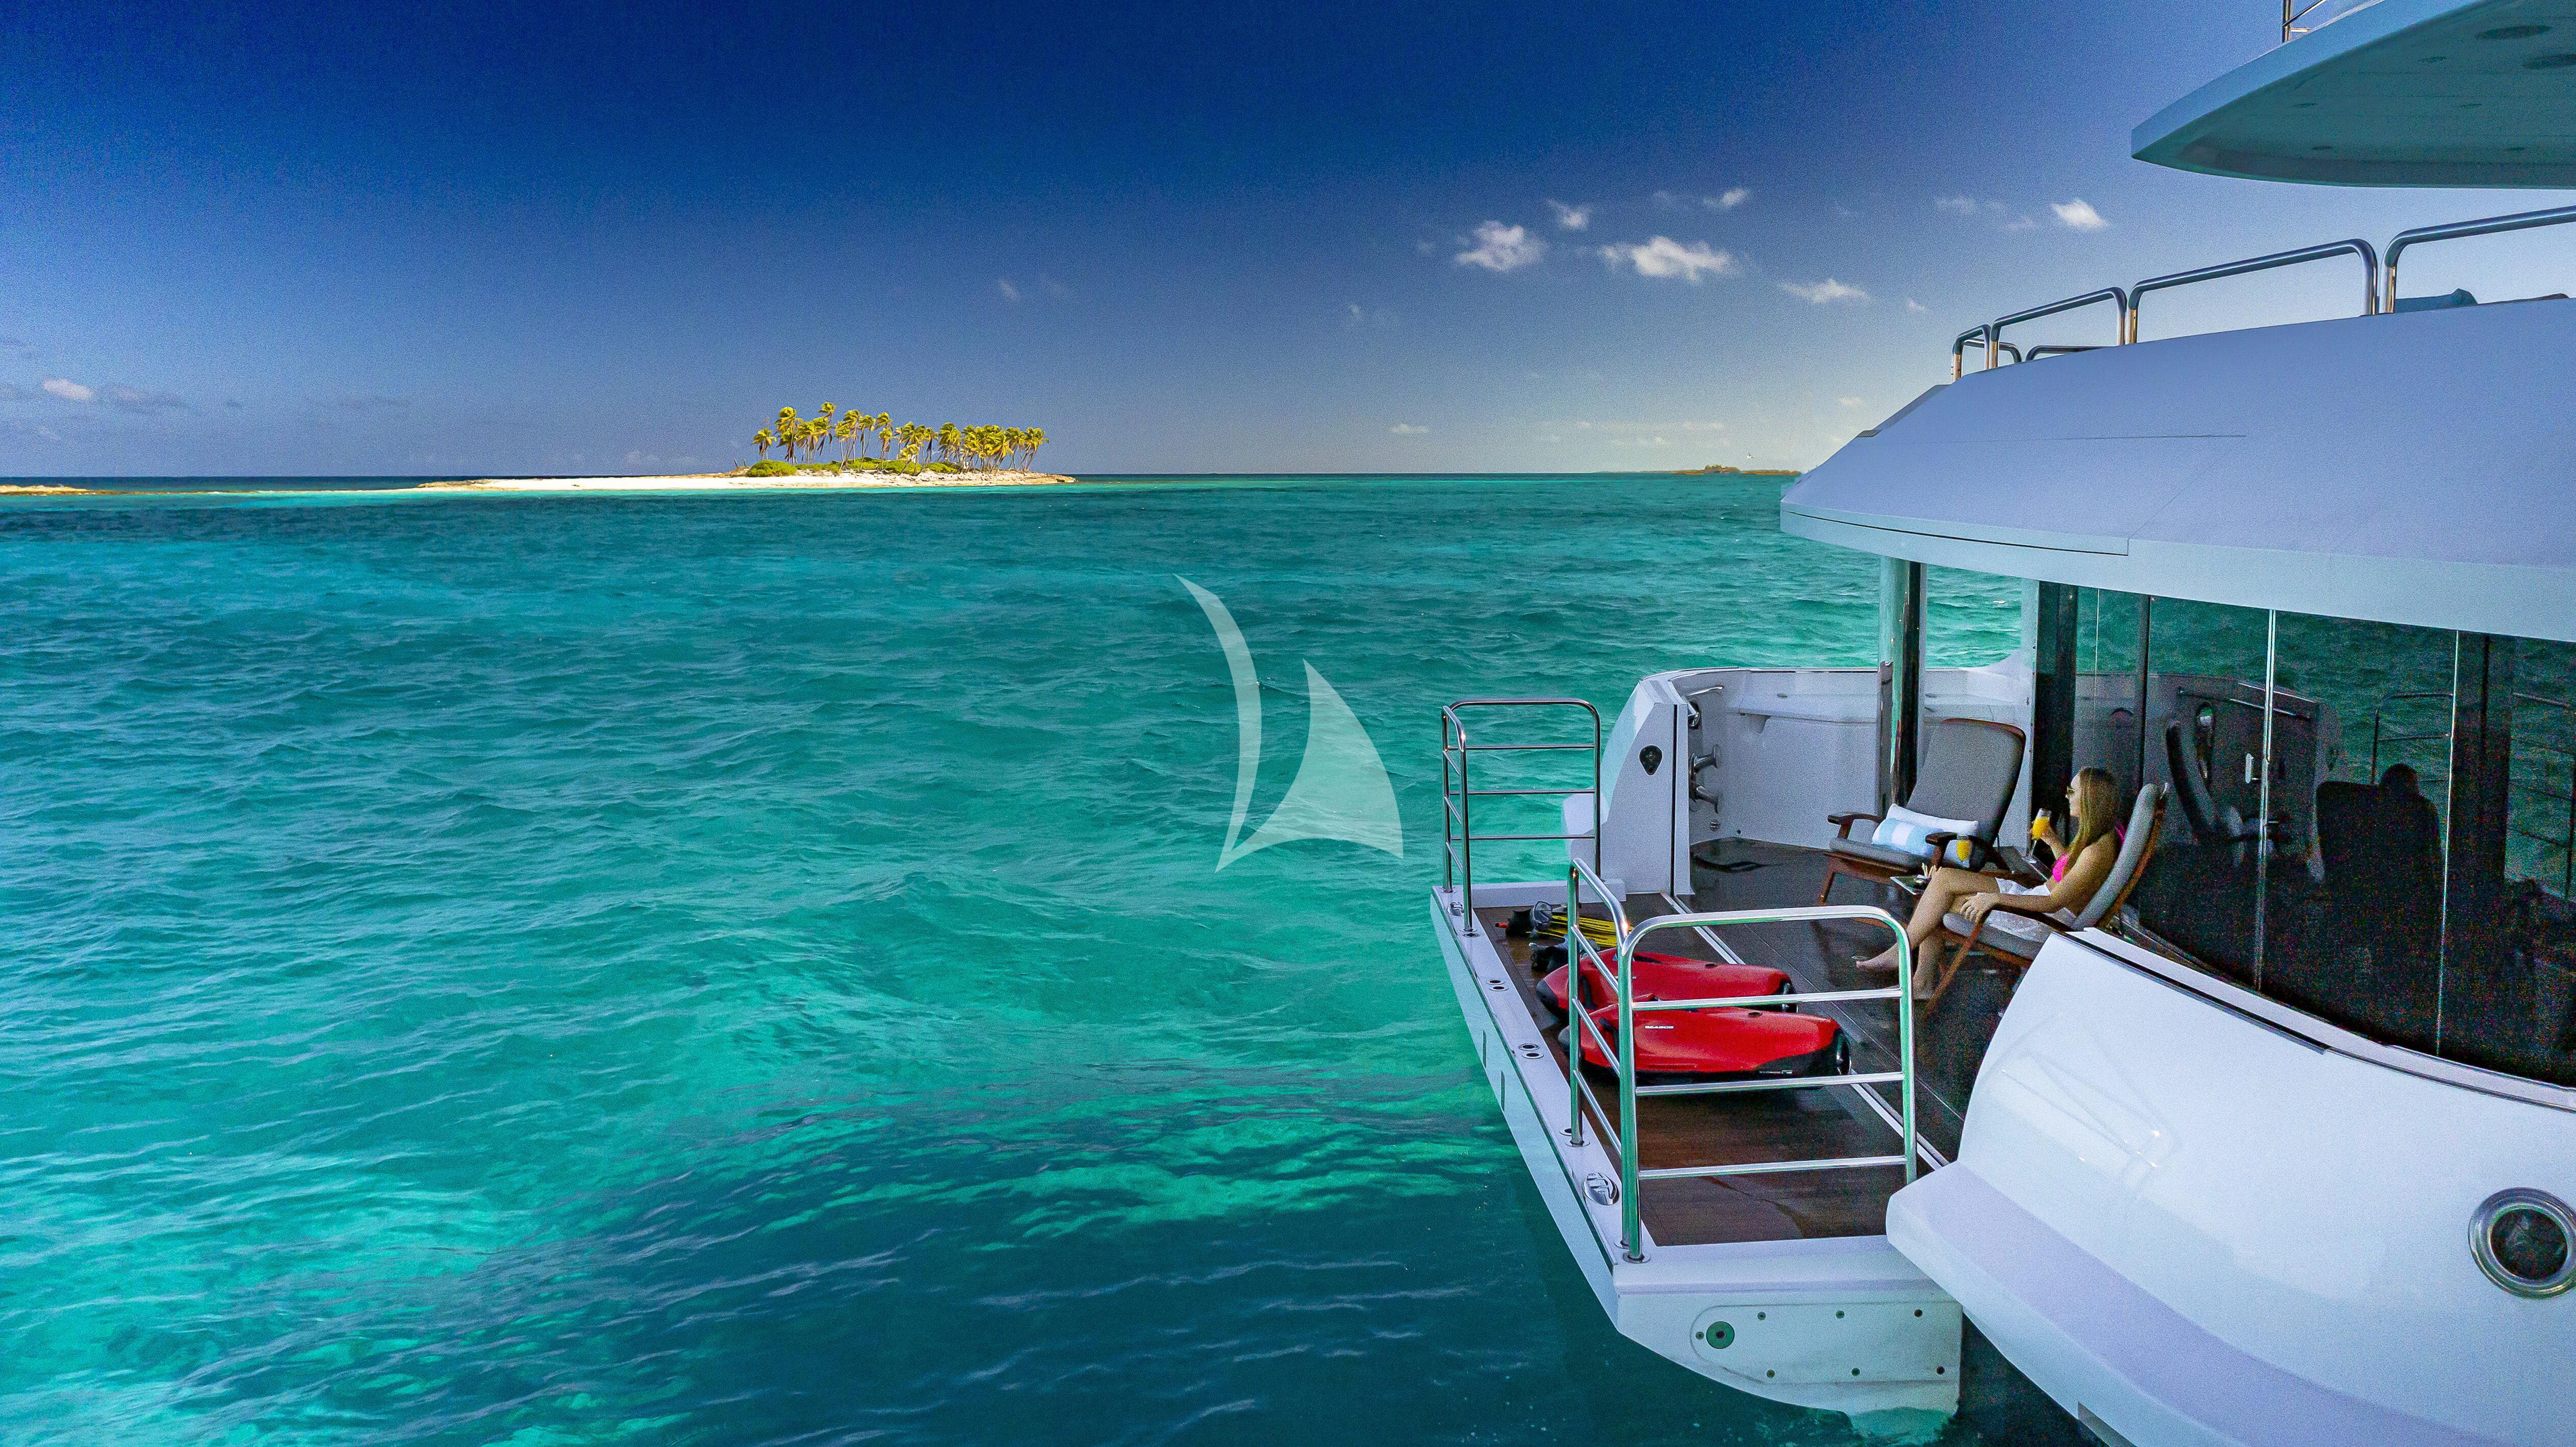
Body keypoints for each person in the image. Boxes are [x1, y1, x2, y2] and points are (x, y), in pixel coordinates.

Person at [1856, 766, 2126, 994]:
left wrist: (1994, 898)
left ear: (2091, 798)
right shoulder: (2099, 840)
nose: (2067, 797)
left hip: (2041, 920)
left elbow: (2055, 902)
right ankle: (1913, 968)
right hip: (2033, 897)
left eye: (2072, 792)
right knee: (1944, 880)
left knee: (1937, 900)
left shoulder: (2096, 853)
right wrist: (2055, 843)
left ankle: (1910, 964)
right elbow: (2070, 876)